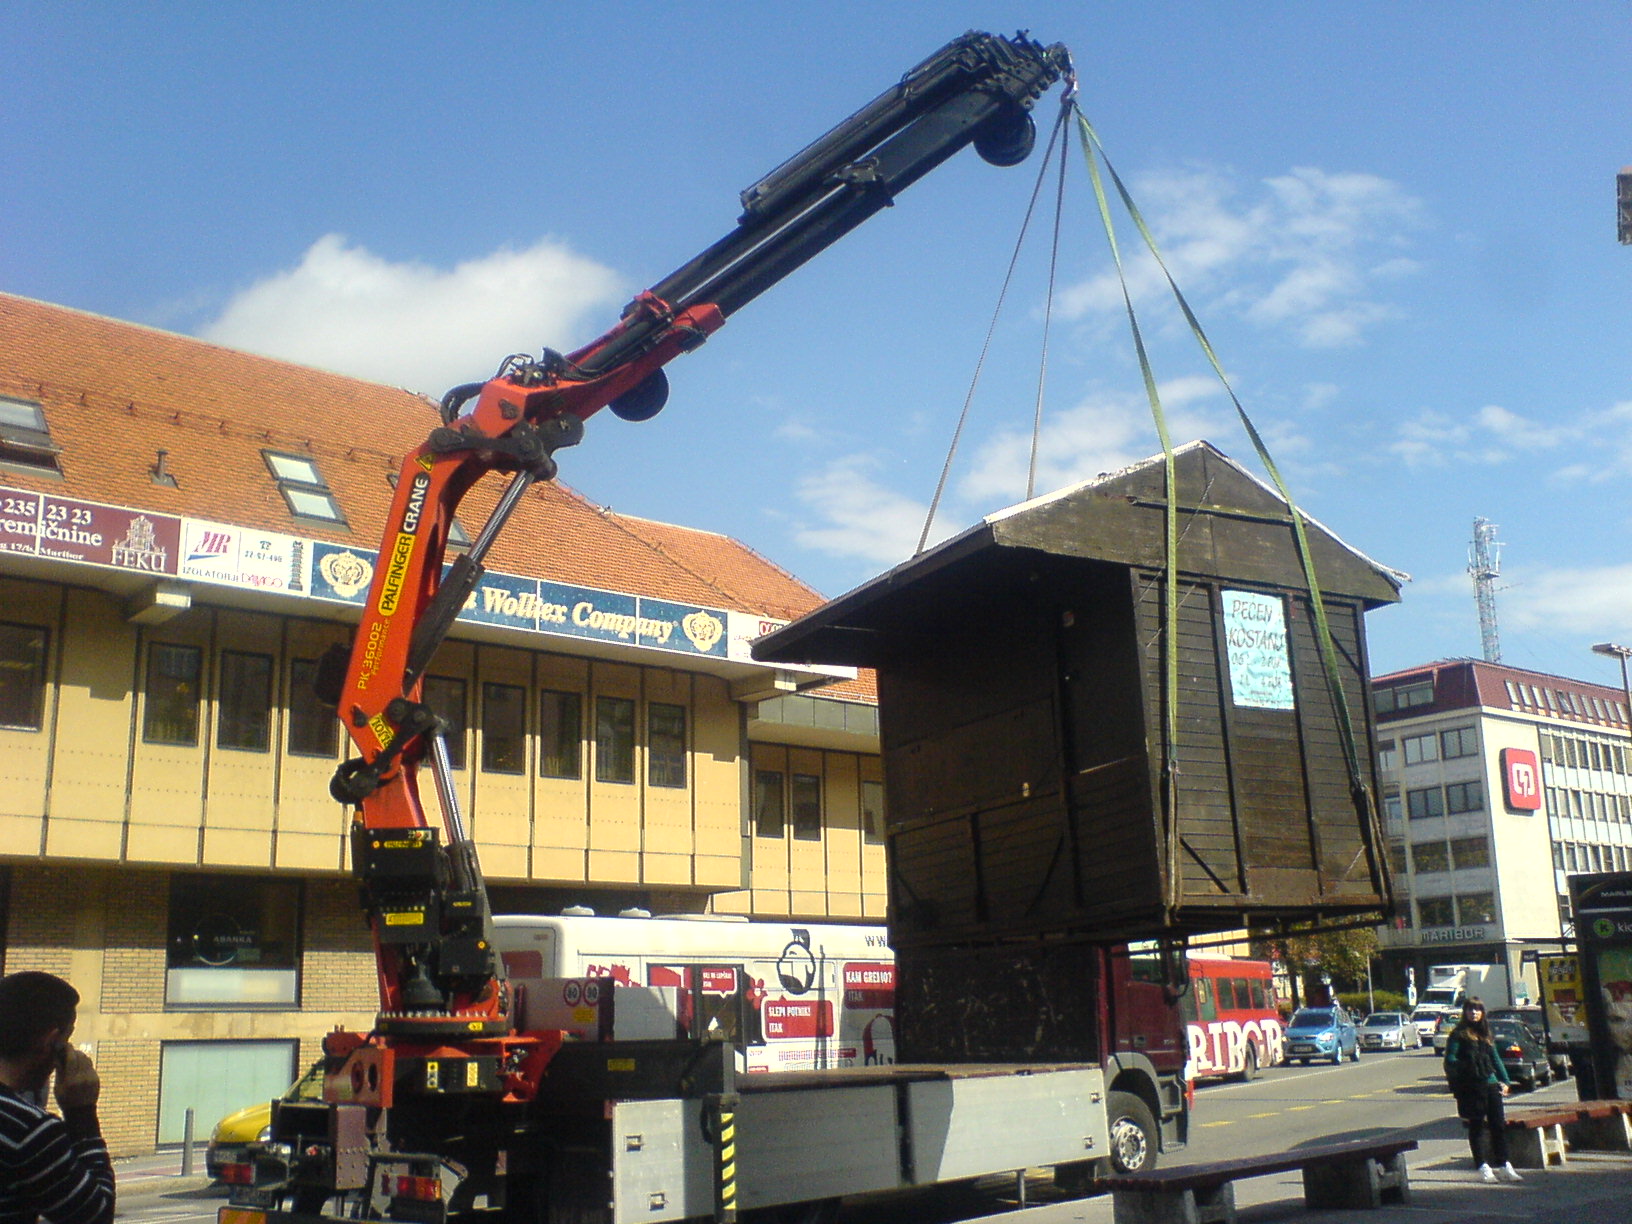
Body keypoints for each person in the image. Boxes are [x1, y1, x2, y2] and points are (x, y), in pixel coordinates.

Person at [0, 972, 115, 1224]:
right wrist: (81, 1114)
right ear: (50, 1041)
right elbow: (95, 1215)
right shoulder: (28, 1131)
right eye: (67, 1039)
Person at [1442, 996, 1521, 1183]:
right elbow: (1450, 1060)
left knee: (1498, 1125)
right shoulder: (1458, 1035)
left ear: (1482, 1013)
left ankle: (1504, 1165)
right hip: (1472, 1087)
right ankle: (1482, 1166)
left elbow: (1495, 1058)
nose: (1474, 1013)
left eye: (1477, 1009)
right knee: (1476, 1126)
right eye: (1470, 1009)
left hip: (1490, 1084)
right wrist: (1467, 1068)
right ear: (1465, 1012)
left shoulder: (1486, 1034)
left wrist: (1505, 1081)